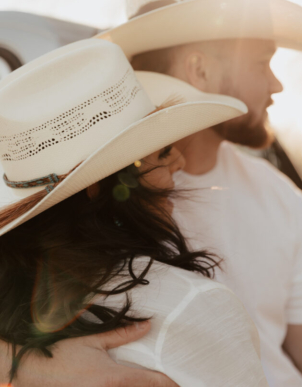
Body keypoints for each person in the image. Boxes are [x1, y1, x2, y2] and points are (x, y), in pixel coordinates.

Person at [97, 0, 302, 387]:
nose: (276, 84)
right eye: (261, 62)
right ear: (199, 69)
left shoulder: (281, 197)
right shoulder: (92, 204)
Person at [0, 38, 268, 386]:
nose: (180, 163)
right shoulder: (191, 308)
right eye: (163, 152)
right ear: (101, 187)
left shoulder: (11, 306)